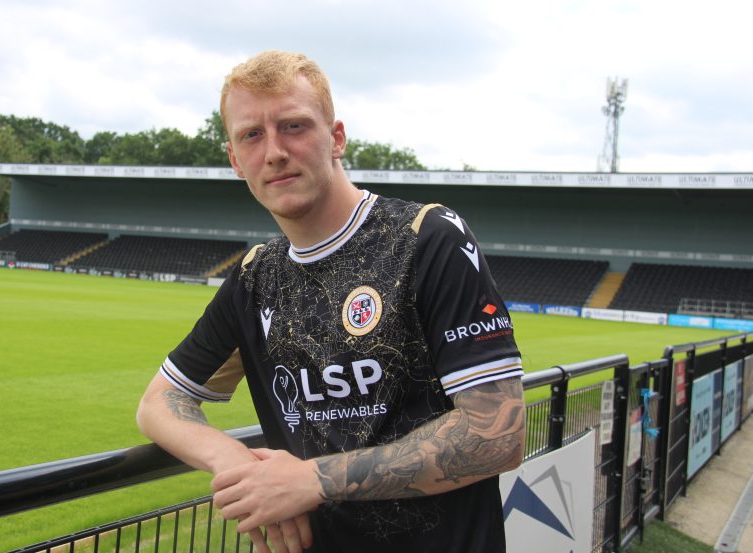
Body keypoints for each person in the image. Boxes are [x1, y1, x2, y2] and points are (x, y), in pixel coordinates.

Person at [137, 50, 526, 553]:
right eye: (251, 135)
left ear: (336, 137)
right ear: (235, 159)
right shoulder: (255, 277)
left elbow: (497, 433)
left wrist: (310, 480)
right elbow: (160, 403)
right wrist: (239, 467)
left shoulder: (425, 238)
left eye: (294, 126)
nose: (274, 151)